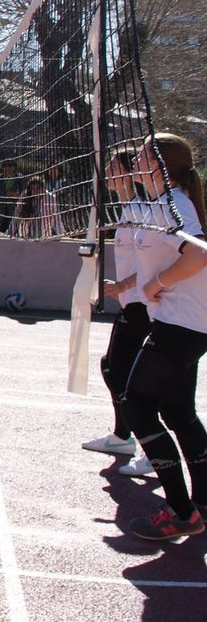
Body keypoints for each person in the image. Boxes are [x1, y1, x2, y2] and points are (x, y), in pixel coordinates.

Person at [119, 133, 207, 540]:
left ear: (159, 165)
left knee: (137, 405)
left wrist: (156, 284)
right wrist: (134, 286)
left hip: (182, 324)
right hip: (182, 322)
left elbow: (199, 254)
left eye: (140, 156)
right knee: (178, 413)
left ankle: (179, 511)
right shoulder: (158, 206)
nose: (134, 162)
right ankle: (201, 499)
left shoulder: (174, 203)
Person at [83, 151, 152, 476]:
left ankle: (150, 445)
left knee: (128, 375)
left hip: (145, 306)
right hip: (131, 301)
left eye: (112, 168)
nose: (107, 173)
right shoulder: (128, 210)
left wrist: (123, 284)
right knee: (111, 367)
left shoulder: (144, 210)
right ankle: (123, 436)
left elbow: (156, 264)